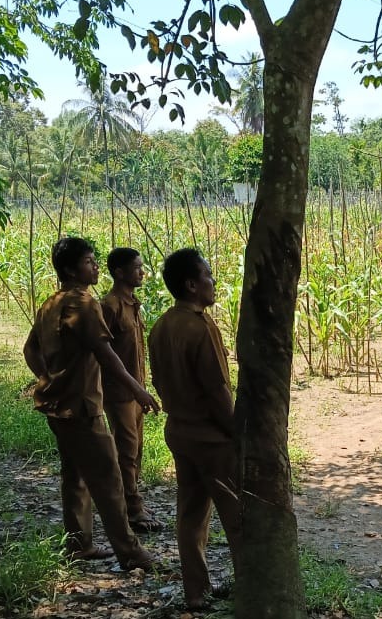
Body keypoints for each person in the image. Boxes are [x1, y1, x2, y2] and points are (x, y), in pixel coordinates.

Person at [23, 236, 160, 572]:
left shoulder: (50, 303)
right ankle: (130, 552)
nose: (95, 266)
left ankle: (79, 543)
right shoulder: (85, 303)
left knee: (74, 474)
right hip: (82, 406)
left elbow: (30, 350)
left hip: (57, 405)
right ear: (71, 269)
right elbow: (106, 354)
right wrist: (138, 390)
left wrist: (50, 379)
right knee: (109, 476)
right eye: (88, 261)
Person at [148, 248, 239, 609]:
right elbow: (218, 389)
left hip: (179, 430)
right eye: (207, 275)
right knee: (236, 516)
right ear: (191, 285)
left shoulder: (161, 325)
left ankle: (196, 592)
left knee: (190, 514)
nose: (212, 281)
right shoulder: (201, 328)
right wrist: (235, 431)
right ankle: (250, 587)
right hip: (210, 437)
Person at [100, 247, 163, 533]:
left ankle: (131, 500)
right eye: (136, 268)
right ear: (119, 272)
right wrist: (136, 389)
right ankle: (131, 509)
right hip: (120, 391)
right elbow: (105, 356)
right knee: (126, 450)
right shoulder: (110, 306)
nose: (142, 272)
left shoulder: (132, 304)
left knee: (136, 449)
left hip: (137, 389)